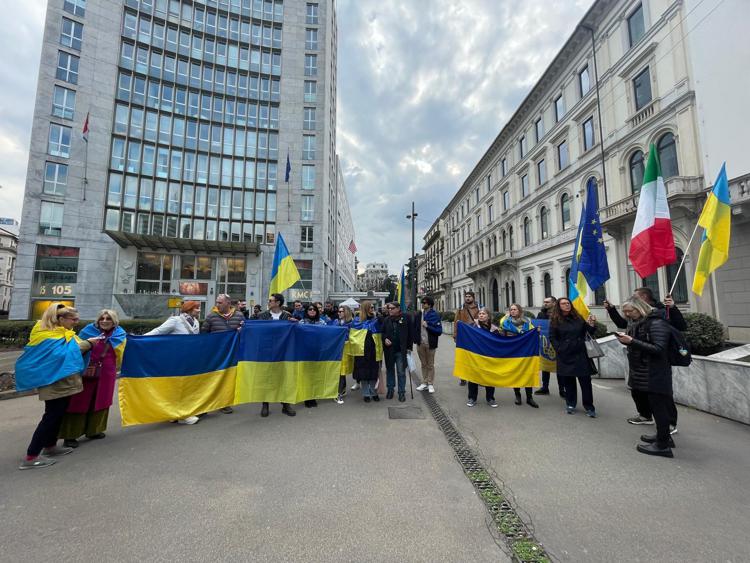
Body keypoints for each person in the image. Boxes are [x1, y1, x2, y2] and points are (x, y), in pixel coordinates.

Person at [16, 304, 100, 469]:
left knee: (58, 415)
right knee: (50, 417)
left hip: (64, 382)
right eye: (73, 319)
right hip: (54, 382)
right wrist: (89, 344)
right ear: (60, 319)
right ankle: (31, 457)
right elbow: (61, 355)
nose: (76, 322)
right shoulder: (47, 335)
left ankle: (50, 446)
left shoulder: (63, 333)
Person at [604, 288, 683, 432]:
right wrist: (611, 310)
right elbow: (623, 324)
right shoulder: (635, 318)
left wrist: (672, 308)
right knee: (638, 391)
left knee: (660, 398)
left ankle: (667, 428)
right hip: (638, 363)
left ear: (643, 299)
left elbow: (672, 333)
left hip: (654, 366)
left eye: (635, 297)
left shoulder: (658, 315)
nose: (628, 314)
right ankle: (646, 416)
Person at [614, 297, 676, 458]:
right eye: (625, 312)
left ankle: (662, 446)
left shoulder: (656, 323)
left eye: (630, 311)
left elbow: (659, 348)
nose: (627, 315)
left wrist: (632, 341)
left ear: (640, 309)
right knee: (656, 408)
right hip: (646, 371)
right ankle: (664, 437)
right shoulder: (641, 323)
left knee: (660, 409)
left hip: (655, 372)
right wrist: (628, 341)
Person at [59, 309, 127, 447]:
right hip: (86, 370)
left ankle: (94, 430)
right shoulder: (87, 332)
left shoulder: (120, 334)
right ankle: (71, 435)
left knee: (102, 400)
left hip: (107, 372)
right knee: (79, 400)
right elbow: (75, 349)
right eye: (102, 318)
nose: (105, 321)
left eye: (108, 319)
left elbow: (124, 353)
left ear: (114, 321)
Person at [144, 301, 202, 425]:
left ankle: (176, 413)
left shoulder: (196, 322)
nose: (199, 310)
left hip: (189, 359)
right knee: (178, 386)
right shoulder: (175, 320)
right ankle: (182, 415)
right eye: (197, 308)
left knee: (186, 386)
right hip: (175, 359)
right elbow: (158, 332)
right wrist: (140, 339)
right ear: (189, 309)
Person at [549, 297, 598, 417]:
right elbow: (552, 337)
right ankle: (571, 403)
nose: (567, 305)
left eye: (568, 303)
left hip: (580, 353)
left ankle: (589, 406)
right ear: (559, 306)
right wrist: (560, 348)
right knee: (569, 381)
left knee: (585, 381)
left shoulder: (578, 317)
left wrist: (592, 324)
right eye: (564, 304)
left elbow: (588, 332)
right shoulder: (555, 320)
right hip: (565, 354)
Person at [201, 294, 244, 414]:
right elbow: (204, 334)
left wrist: (242, 330)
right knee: (214, 378)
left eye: (220, 303)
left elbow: (245, 330)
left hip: (232, 353)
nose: (217, 305)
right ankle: (207, 403)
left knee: (228, 378)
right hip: (216, 354)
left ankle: (224, 403)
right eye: (217, 302)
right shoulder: (211, 316)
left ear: (228, 303)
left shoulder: (239, 315)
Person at [257, 293, 297, 417]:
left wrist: (295, 324)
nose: (268, 302)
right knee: (266, 377)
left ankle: (285, 404)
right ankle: (265, 404)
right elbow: (258, 331)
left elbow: (293, 333)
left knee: (284, 377)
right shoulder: (262, 316)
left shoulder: (287, 316)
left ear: (278, 303)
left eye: (271, 300)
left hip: (284, 352)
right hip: (267, 351)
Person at [499, 304, 539, 408]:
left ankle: (529, 398)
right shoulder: (505, 321)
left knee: (528, 373)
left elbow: (532, 331)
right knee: (516, 373)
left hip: (526, 351)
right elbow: (501, 334)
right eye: (511, 309)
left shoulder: (527, 321)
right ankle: (518, 396)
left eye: (515, 309)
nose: (512, 311)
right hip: (513, 351)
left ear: (519, 310)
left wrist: (536, 331)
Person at [382, 301, 414, 402]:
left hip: (401, 350)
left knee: (401, 372)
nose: (390, 310)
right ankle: (390, 390)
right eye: (389, 308)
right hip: (389, 350)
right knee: (390, 370)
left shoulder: (406, 318)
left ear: (398, 308)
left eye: (392, 308)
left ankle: (401, 392)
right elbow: (382, 333)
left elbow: (410, 333)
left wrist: (409, 347)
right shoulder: (386, 320)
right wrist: (384, 339)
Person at [467, 308, 499, 408]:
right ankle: (472, 398)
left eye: (483, 314)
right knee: (473, 378)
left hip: (488, 357)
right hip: (475, 356)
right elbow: (467, 337)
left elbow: (497, 342)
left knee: (489, 377)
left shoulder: (494, 329)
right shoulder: (473, 326)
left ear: (488, 316)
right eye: (480, 314)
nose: (481, 315)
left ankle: (490, 398)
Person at [535, 296, 565, 398]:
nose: (545, 304)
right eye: (544, 302)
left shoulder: (560, 314)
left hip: (558, 343)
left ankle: (562, 389)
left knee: (559, 367)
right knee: (545, 366)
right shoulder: (541, 314)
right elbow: (537, 326)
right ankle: (545, 387)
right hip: (545, 343)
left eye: (547, 302)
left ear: (554, 303)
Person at [352, 300, 381, 403]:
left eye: (373, 307)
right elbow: (350, 334)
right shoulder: (356, 321)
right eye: (371, 307)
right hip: (361, 351)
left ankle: (374, 392)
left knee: (373, 372)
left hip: (373, 350)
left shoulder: (376, 320)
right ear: (365, 308)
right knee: (363, 373)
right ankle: (366, 393)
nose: (373, 309)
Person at [300, 303, 328, 408]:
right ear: (306, 311)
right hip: (305, 352)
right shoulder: (301, 322)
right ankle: (307, 397)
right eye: (310, 309)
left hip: (318, 352)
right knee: (307, 376)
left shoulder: (322, 322)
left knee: (316, 375)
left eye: (314, 309)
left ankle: (314, 396)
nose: (312, 311)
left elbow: (327, 334)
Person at [414, 296, 442, 394]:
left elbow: (439, 331)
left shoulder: (435, 315)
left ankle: (430, 383)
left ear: (429, 304)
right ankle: (424, 382)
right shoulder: (419, 314)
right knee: (423, 364)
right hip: (420, 343)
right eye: (422, 302)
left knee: (430, 364)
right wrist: (415, 339)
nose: (423, 304)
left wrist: (428, 326)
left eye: (424, 303)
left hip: (430, 344)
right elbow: (415, 327)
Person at [454, 291, 479, 386]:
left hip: (475, 335)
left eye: (469, 296)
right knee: (463, 357)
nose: (467, 298)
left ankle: (475, 377)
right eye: (466, 296)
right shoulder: (460, 308)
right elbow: (456, 321)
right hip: (463, 336)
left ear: (473, 297)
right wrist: (455, 335)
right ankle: (463, 377)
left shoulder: (479, 308)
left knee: (475, 357)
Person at [333, 305, 354, 403]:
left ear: (346, 312)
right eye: (338, 311)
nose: (339, 313)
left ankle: (339, 393)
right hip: (336, 349)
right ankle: (342, 390)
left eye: (341, 311)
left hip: (346, 350)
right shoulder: (336, 322)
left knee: (342, 371)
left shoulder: (351, 323)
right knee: (339, 371)